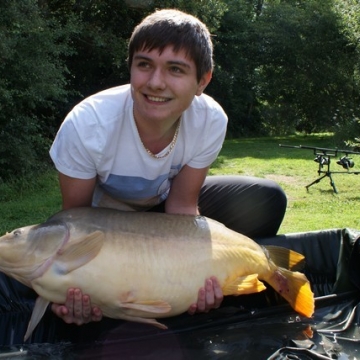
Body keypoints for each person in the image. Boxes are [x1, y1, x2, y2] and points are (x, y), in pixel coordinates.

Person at [49, 9, 287, 326]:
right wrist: (68, 286)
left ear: (202, 81)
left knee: (266, 197)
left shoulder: (210, 119)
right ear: (131, 68)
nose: (156, 83)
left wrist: (197, 275)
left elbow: (182, 206)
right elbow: (74, 223)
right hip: (106, 228)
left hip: (165, 213)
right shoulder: (86, 125)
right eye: (144, 65)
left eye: (175, 69)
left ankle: (249, 274)